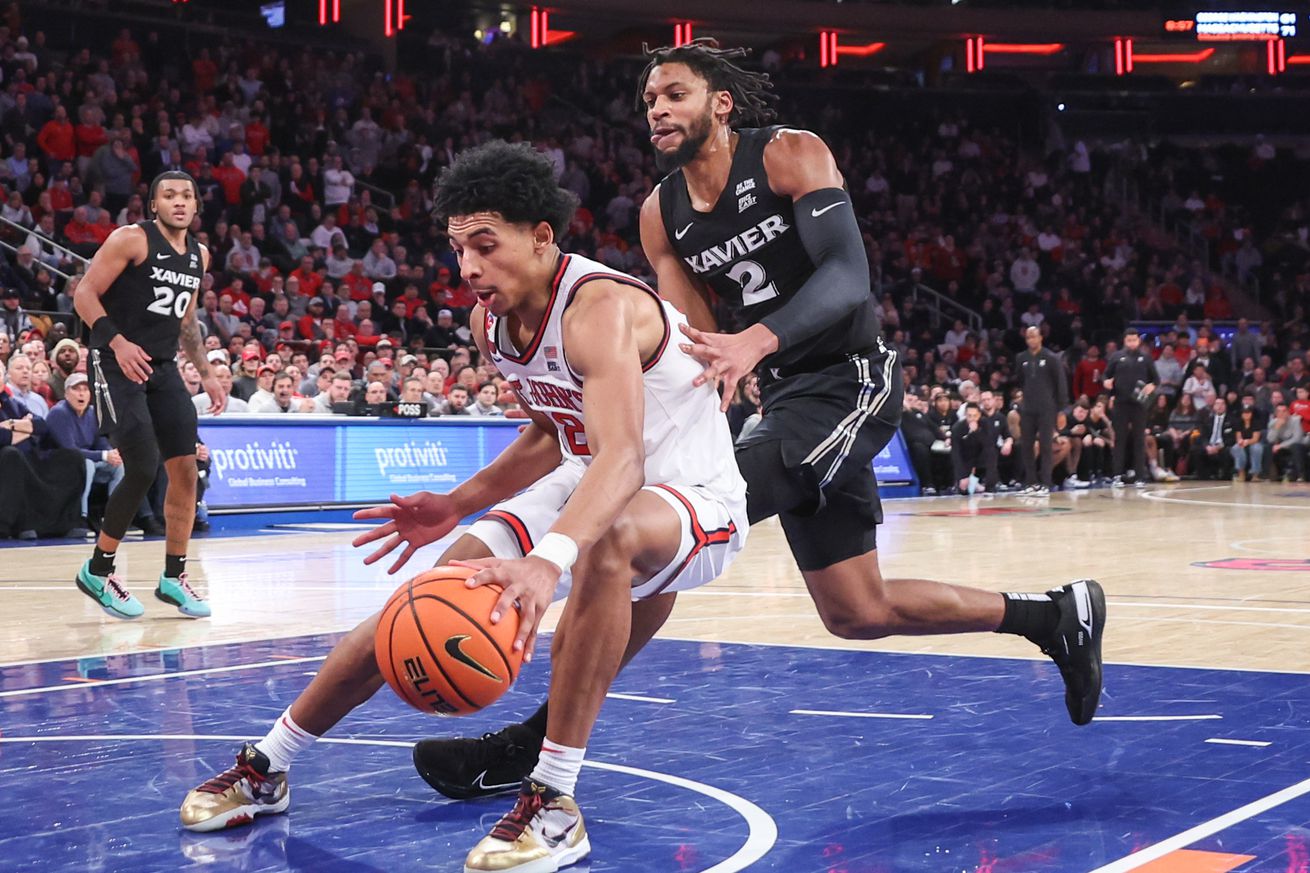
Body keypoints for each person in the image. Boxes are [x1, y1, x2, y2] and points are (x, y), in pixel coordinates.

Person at [416, 39, 1106, 803]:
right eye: (649, 101)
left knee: (647, 529)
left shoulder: (789, 155)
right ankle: (1053, 614)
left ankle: (538, 745)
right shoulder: (661, 212)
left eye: (674, 94)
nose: (658, 111)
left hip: (853, 379)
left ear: (721, 104)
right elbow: (689, 336)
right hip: (780, 396)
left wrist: (758, 339)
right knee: (857, 608)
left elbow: (849, 276)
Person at [177, 143, 747, 873]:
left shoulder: (599, 307)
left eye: (486, 245)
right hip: (590, 476)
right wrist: (458, 503)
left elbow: (624, 458)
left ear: (542, 236)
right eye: (457, 250)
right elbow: (551, 428)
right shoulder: (492, 322)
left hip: (692, 493)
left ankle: (554, 802)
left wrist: (546, 561)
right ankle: (268, 765)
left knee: (608, 539)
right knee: (424, 599)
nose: (469, 268)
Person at [71, 170, 218, 620]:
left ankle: (173, 578)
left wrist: (207, 372)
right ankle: (98, 569)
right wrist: (117, 342)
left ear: (196, 206)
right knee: (141, 465)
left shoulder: (199, 255)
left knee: (186, 471)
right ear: (154, 205)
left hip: (163, 366)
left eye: (187, 196)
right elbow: (84, 294)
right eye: (169, 195)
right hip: (114, 361)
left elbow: (187, 322)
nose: (179, 202)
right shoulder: (131, 240)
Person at [1016, 326, 1068, 496]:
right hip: (1028, 408)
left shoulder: (1051, 358)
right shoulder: (1021, 358)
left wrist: (1061, 410)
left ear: (1040, 338)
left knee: (1046, 445)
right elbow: (1021, 381)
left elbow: (1060, 383)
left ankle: (1046, 482)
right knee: (1027, 446)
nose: (1031, 340)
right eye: (1028, 337)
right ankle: (1030, 482)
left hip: (1047, 408)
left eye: (1034, 336)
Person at [1103, 328, 1158, 487]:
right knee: (1119, 439)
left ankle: (1140, 476)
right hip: (1120, 402)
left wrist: (1151, 386)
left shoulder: (1145, 357)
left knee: (1139, 439)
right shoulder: (1116, 356)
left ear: (1138, 341)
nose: (1132, 343)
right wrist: (1106, 382)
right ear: (1125, 341)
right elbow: (1106, 375)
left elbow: (1155, 379)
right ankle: (1117, 475)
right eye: (1129, 340)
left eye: (1134, 340)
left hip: (1139, 404)